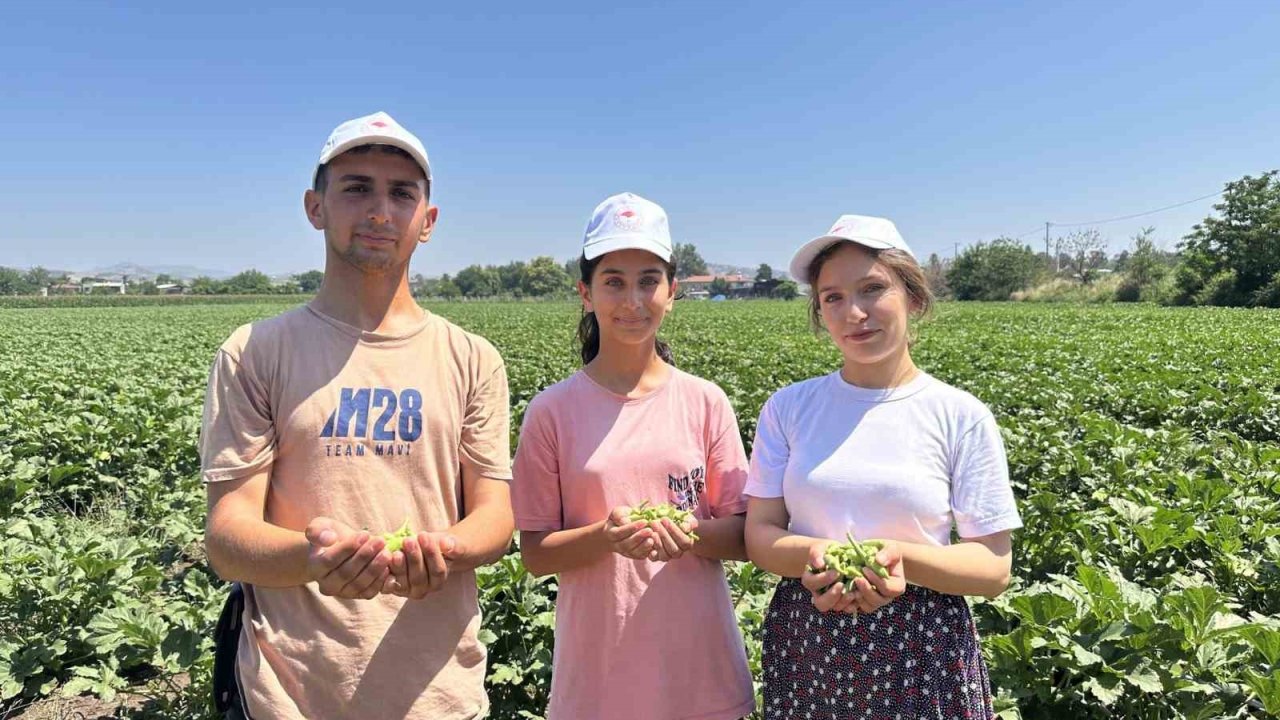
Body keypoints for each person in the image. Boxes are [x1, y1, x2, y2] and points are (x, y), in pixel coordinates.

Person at [201, 111, 514, 720]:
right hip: (289, 698)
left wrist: (445, 550)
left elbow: (495, 517)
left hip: (438, 695)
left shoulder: (474, 359)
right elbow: (228, 536)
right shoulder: (255, 352)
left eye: (402, 194)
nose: (379, 211)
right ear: (315, 207)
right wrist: (311, 560)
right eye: (356, 187)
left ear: (427, 221)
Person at [743, 215, 1022, 719]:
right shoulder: (788, 408)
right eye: (832, 297)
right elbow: (759, 535)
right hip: (810, 638)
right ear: (820, 311)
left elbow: (993, 566)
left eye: (873, 289)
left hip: (924, 644)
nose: (854, 312)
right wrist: (821, 558)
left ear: (913, 298)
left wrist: (899, 559)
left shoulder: (959, 415)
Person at [510, 192, 756, 720]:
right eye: (614, 281)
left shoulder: (705, 401)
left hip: (702, 677)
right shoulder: (551, 412)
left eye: (649, 280)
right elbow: (536, 553)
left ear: (672, 291)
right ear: (585, 293)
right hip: (597, 684)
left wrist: (685, 533)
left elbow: (742, 536)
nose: (633, 300)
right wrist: (605, 537)